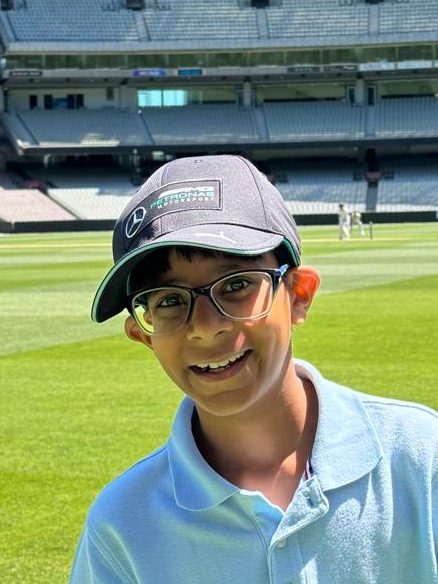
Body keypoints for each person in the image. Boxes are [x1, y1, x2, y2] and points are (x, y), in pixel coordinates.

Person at [70, 155, 438, 583]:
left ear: (299, 295)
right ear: (143, 335)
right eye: (169, 300)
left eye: (237, 284)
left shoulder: (420, 458)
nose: (205, 327)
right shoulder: (120, 525)